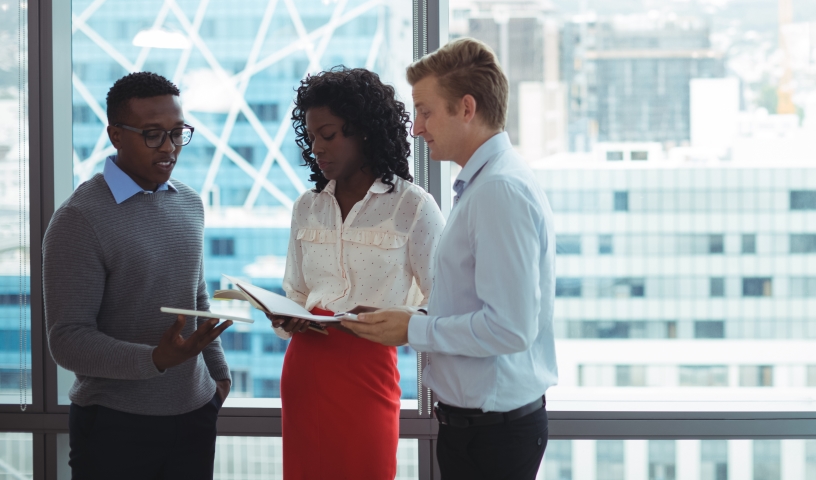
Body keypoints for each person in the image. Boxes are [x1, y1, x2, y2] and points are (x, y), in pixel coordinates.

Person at [341, 38, 558, 480]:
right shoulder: (487, 186)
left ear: (466, 108)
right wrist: (408, 316)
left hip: (492, 435)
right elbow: (477, 303)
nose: (417, 128)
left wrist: (414, 328)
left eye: (425, 110)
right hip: (480, 430)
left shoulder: (499, 191)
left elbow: (510, 328)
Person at [44, 72, 233, 480]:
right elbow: (67, 340)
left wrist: (218, 375)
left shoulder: (190, 204)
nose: (168, 148)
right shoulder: (79, 219)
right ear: (115, 134)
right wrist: (155, 360)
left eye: (177, 133)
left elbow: (195, 296)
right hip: (115, 425)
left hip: (196, 413)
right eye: (152, 135)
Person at [272, 67, 444, 480]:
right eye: (311, 137)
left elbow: (443, 301)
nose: (317, 147)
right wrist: (285, 317)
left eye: (328, 135)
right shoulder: (306, 207)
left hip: (368, 369)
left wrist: (403, 322)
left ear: (363, 131)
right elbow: (295, 291)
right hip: (305, 368)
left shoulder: (412, 206)